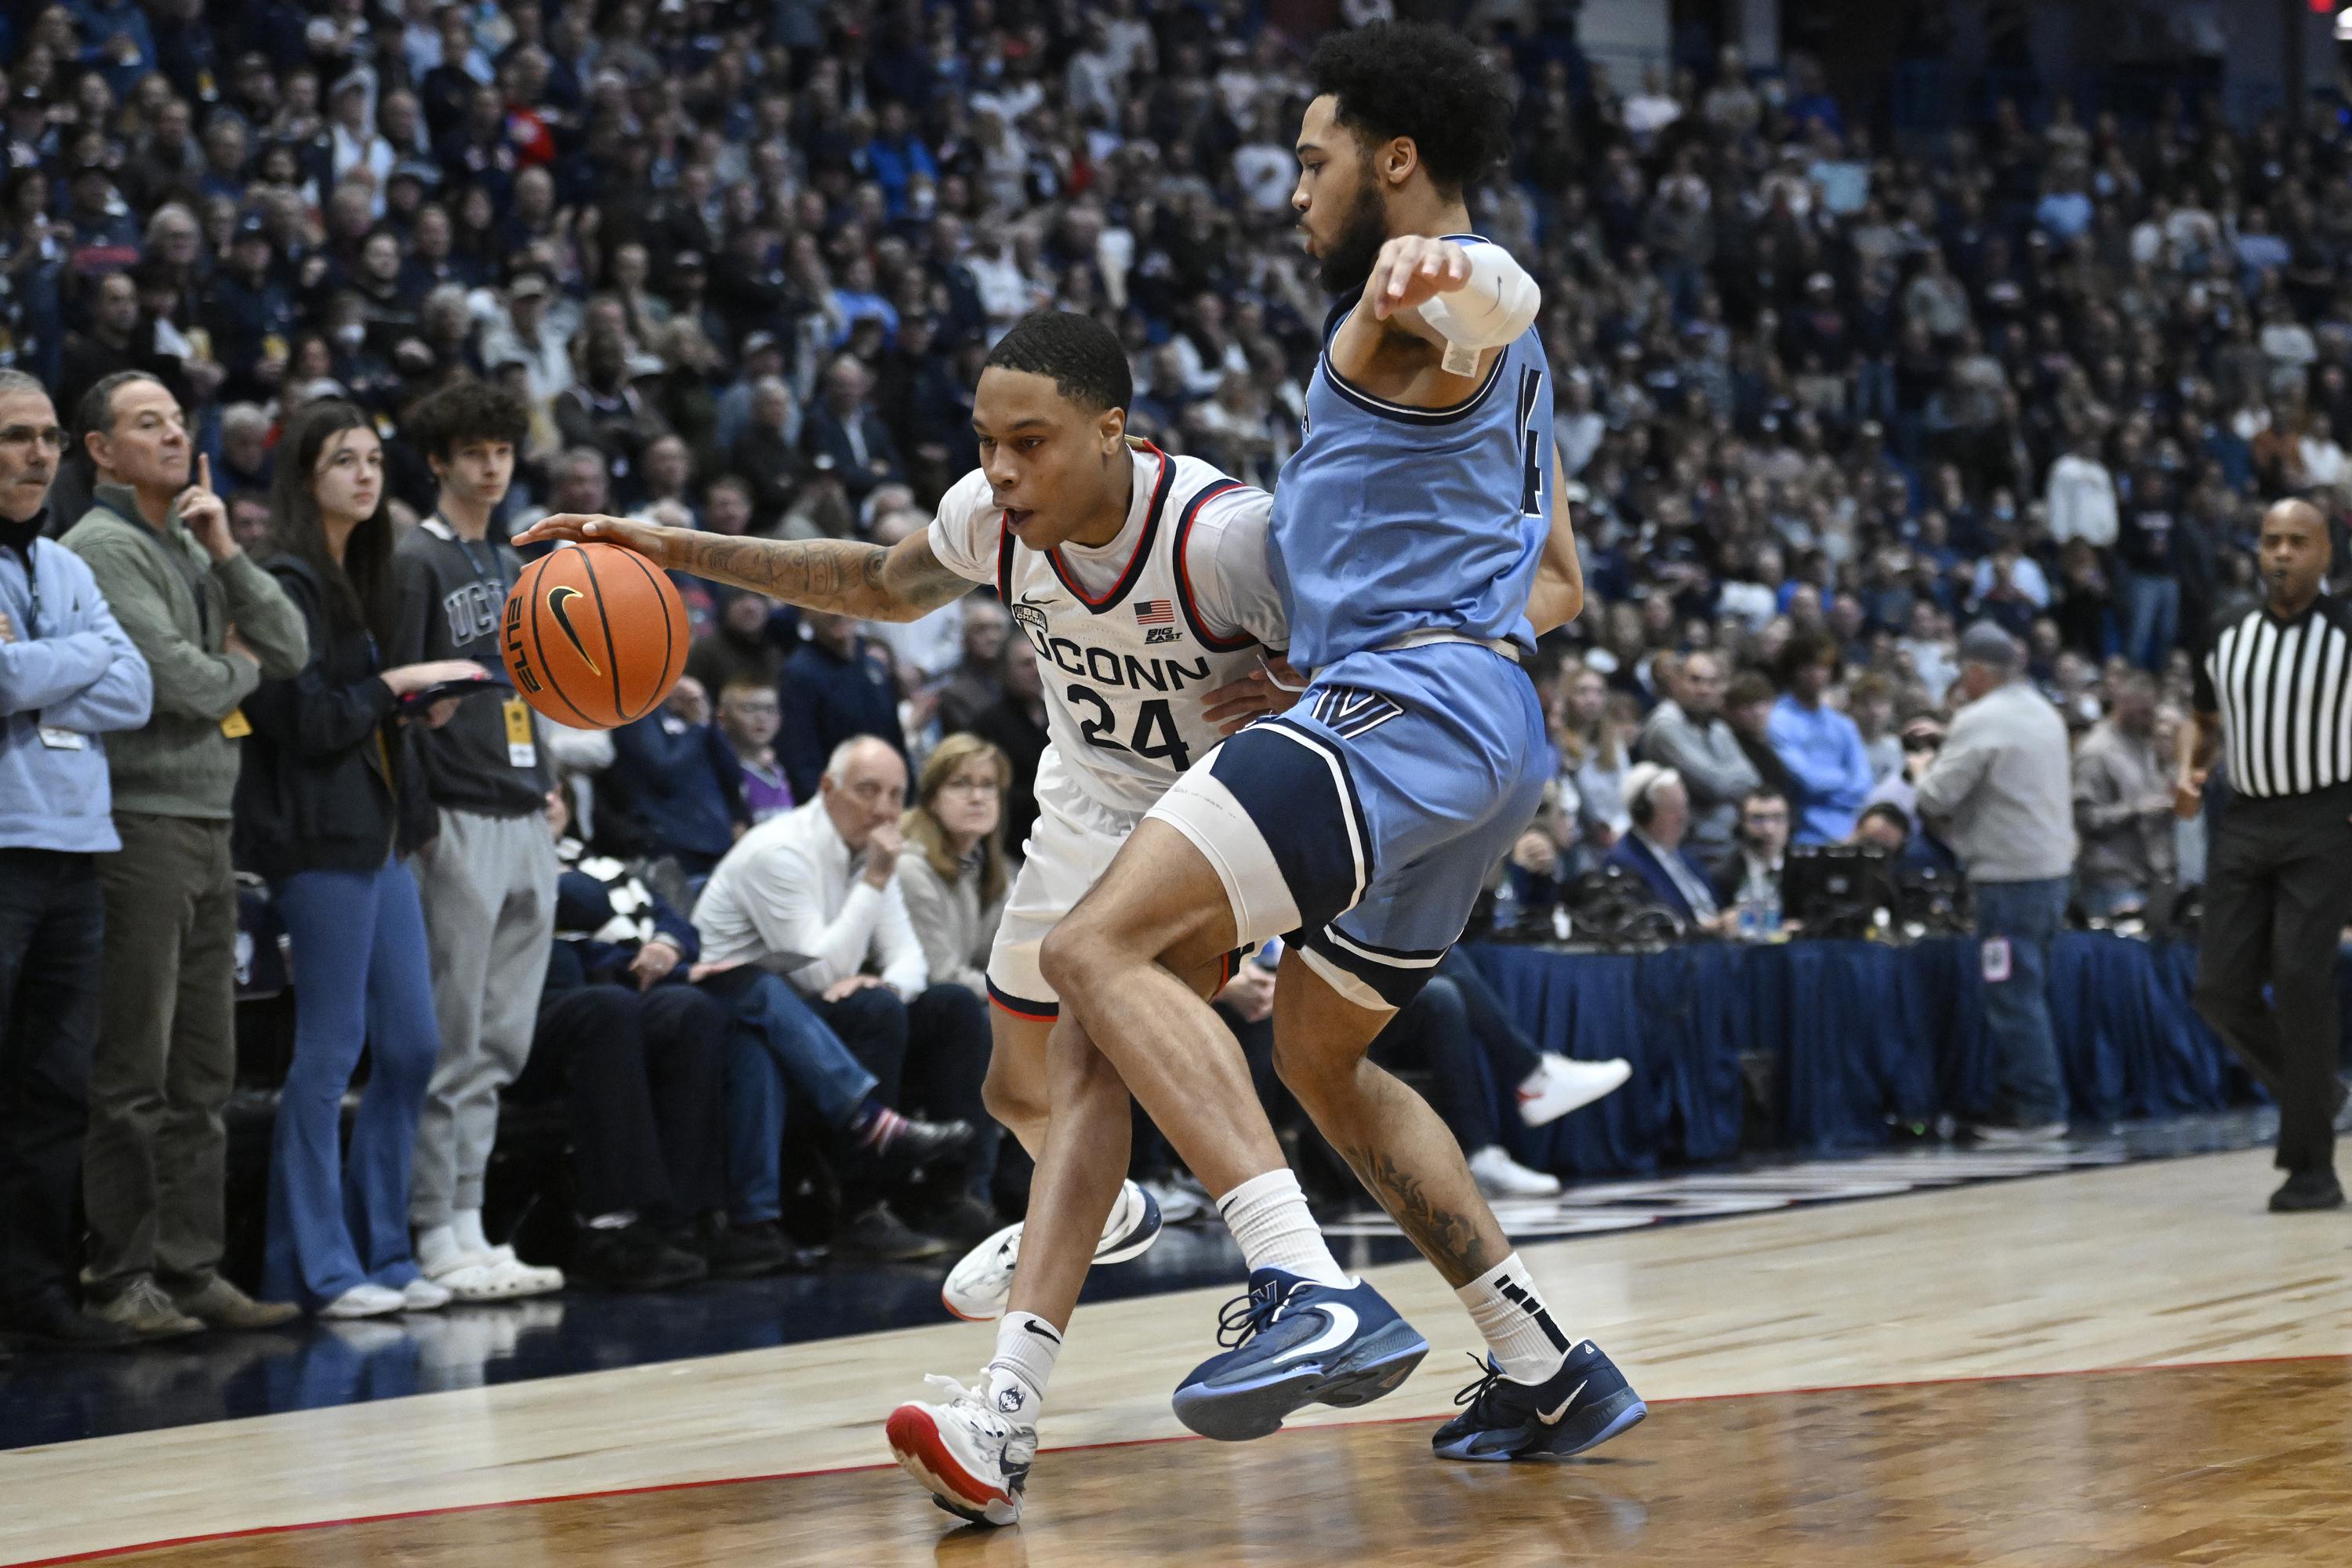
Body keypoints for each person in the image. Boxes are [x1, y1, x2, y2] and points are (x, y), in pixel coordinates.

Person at [894, 32, 1634, 1520]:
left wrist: (1464, 291)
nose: (1294, 189)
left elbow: (1463, 302)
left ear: (1395, 158)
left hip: (1400, 714)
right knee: (1314, 1057)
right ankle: (1542, 1356)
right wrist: (1401, 639)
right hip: (1482, 719)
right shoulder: (1511, 381)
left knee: (1097, 949)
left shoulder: (1404, 301)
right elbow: (1556, 581)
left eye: (1313, 159)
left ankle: (1306, 1289)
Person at [518, 310, 1301, 1321]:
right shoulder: (990, 516)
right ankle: (1102, 1208)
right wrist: (670, 548)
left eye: (1030, 442)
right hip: (1084, 805)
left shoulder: (1229, 535)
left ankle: (1289, 1275)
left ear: (1112, 429)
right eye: (986, 442)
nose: (1002, 469)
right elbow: (875, 583)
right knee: (1018, 1095)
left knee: (1106, 1052)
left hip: (1212, 816)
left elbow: (1394, 633)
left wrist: (1306, 683)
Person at [62, 369, 310, 1340]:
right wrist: (235, 663)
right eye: (145, 423)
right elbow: (187, 684)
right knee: (135, 1068)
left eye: (177, 419)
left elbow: (290, 644)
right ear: (101, 450)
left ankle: (190, 1267)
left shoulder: (189, 542)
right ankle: (117, 1276)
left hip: (212, 823)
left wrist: (226, 549)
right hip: (140, 823)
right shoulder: (99, 549)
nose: (172, 435)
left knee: (207, 1071)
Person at [235, 400, 487, 1318]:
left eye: (375, 459)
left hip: (379, 835)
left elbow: (358, 712)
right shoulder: (284, 579)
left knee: (415, 1044)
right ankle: (318, 1267)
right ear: (308, 477)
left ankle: (383, 1252)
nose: (366, 474)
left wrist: (412, 706)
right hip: (316, 841)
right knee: (329, 1049)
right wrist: (392, 688)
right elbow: (295, 720)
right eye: (344, 459)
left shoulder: (362, 577)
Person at [389, 379, 564, 1301]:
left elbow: (531, 686)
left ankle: (472, 1218)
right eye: (474, 450)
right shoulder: (416, 560)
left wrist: (551, 783)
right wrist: (416, 822)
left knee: (500, 1040)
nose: (492, 463)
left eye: (502, 447)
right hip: (454, 812)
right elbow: (401, 702)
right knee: (453, 1037)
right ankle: (434, 1225)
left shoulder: (512, 556)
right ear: (439, 460)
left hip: (523, 804)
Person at [691, 737, 991, 1258]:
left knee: (950, 1005)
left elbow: (909, 959)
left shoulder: (869, 849)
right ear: (827, 788)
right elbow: (817, 974)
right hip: (741, 1015)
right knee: (873, 1011)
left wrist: (889, 984)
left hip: (810, 1017)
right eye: (868, 791)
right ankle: (862, 1208)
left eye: (896, 796)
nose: (882, 809)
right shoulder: (780, 850)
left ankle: (946, 1194)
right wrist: (875, 879)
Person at [0, 370, 154, 1350]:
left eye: (50, 436)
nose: (38, 453)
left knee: (56, 1091)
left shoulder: (64, 563)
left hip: (75, 846)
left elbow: (134, 688)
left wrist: (39, 673)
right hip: (4, 846)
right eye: (16, 435)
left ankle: (34, 1294)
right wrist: (76, 661)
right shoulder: (73, 586)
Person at [2178, 499, 2352, 1210]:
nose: (2282, 553)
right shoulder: (2224, 630)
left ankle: (2311, 1170)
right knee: (2218, 989)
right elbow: (2204, 719)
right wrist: (2190, 769)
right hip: (2245, 817)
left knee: (2303, 981)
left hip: (2326, 815)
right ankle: (2318, 1091)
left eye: (2297, 542)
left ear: (2325, 555)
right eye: (2271, 541)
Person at [514, 793, 733, 1291]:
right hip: (533, 1012)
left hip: (618, 998)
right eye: (534, 789)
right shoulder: (512, 861)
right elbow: (581, 915)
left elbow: (674, 921)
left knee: (690, 1012)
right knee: (608, 1010)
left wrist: (665, 945)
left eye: (555, 790)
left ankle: (683, 1219)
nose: (545, 799)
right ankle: (610, 1229)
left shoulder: (606, 867)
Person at [1914, 622, 2078, 1145]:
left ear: (1978, 672)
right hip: (2052, 873)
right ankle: (2023, 1094)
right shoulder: (2044, 711)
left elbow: (1934, 798)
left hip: (2008, 879)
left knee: (2011, 995)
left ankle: (2037, 1108)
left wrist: (1922, 766)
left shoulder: (1978, 719)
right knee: (2029, 990)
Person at [1635, 650, 1759, 874]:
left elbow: (1753, 781)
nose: (1704, 690)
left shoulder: (1718, 727)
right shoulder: (1664, 725)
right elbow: (1715, 785)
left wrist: (1727, 779)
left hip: (1728, 843)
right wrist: (1730, 778)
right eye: (1695, 680)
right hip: (1688, 848)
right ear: (1676, 682)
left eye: (1712, 682)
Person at [2073, 671, 2176, 917]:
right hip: (2112, 882)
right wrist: (2135, 809)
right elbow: (2084, 818)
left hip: (2150, 878)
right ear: (2123, 704)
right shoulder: (2096, 751)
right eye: (2144, 713)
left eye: (2152, 712)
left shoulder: (2143, 745)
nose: (2151, 720)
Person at [778, 609, 906, 801]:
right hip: (840, 804)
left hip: (888, 794)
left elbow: (895, 739)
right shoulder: (798, 674)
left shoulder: (873, 667)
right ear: (806, 614)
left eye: (844, 604)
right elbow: (801, 759)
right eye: (824, 606)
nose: (837, 613)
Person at [1768, 630, 1873, 844]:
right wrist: (1845, 779)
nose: (1818, 674)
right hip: (1803, 832)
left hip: (1851, 831)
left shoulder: (1843, 724)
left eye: (1825, 667)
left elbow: (1864, 783)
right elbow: (1809, 780)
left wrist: (1834, 786)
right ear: (1793, 669)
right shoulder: (1778, 720)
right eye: (1809, 666)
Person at [1606, 764, 1730, 932]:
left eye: (1684, 806)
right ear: (1644, 813)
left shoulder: (1686, 858)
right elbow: (1651, 927)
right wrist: (1708, 928)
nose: (1682, 817)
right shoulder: (1624, 863)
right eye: (1672, 809)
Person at [717, 677, 793, 824]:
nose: (761, 717)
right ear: (723, 718)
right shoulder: (723, 773)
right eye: (749, 708)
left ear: (779, 719)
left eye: (770, 710)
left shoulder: (780, 770)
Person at [1711, 789, 1791, 924]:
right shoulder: (1722, 876)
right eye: (1758, 819)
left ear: (1789, 823)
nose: (1768, 830)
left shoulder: (1807, 871)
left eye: (1777, 818)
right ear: (1741, 824)